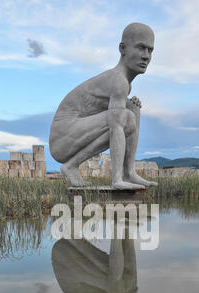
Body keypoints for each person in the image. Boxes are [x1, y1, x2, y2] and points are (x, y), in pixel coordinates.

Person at [49, 22, 157, 189]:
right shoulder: (118, 80)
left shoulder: (123, 83)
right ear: (122, 49)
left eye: (150, 50)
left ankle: (129, 172)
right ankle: (117, 178)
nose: (146, 56)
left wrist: (130, 106)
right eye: (141, 48)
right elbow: (116, 125)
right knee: (126, 116)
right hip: (62, 138)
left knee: (132, 109)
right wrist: (116, 182)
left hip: (72, 133)